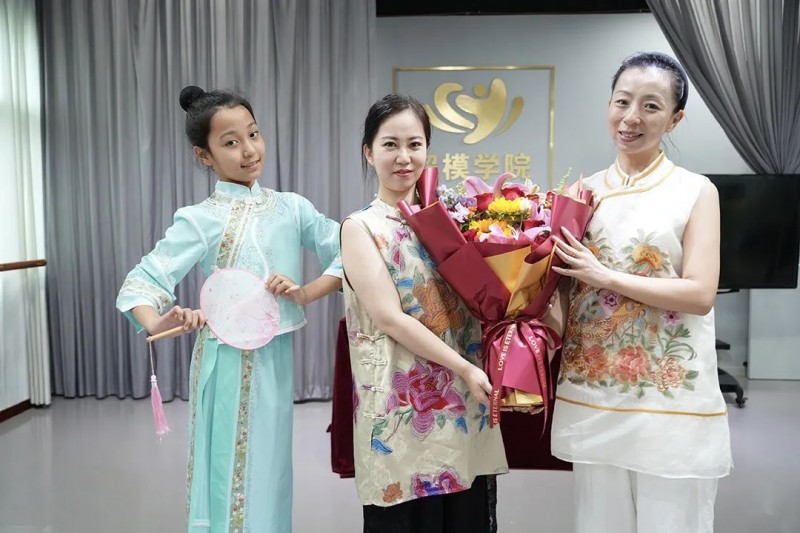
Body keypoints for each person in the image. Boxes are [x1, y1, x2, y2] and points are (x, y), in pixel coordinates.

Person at [116, 85, 342, 533]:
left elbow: (351, 248)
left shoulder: (291, 208)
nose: (249, 150)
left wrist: (306, 293)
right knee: (230, 471)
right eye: (231, 142)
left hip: (274, 357)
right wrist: (158, 321)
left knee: (271, 472)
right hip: (226, 363)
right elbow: (141, 281)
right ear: (204, 155)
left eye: (253, 135)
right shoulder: (202, 218)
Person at [549, 52, 732, 533]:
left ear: (675, 119)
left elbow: (700, 293)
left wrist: (606, 277)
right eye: (622, 101)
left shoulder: (695, 191)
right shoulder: (582, 193)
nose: (631, 117)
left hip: (668, 401)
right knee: (598, 522)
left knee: (672, 521)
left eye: (651, 106)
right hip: (594, 391)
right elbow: (566, 295)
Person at [339, 94, 508, 533]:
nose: (404, 157)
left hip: (461, 400)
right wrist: (465, 368)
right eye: (390, 145)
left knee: (463, 515)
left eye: (414, 144)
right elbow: (389, 318)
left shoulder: (451, 219)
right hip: (402, 405)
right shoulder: (361, 227)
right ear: (368, 152)